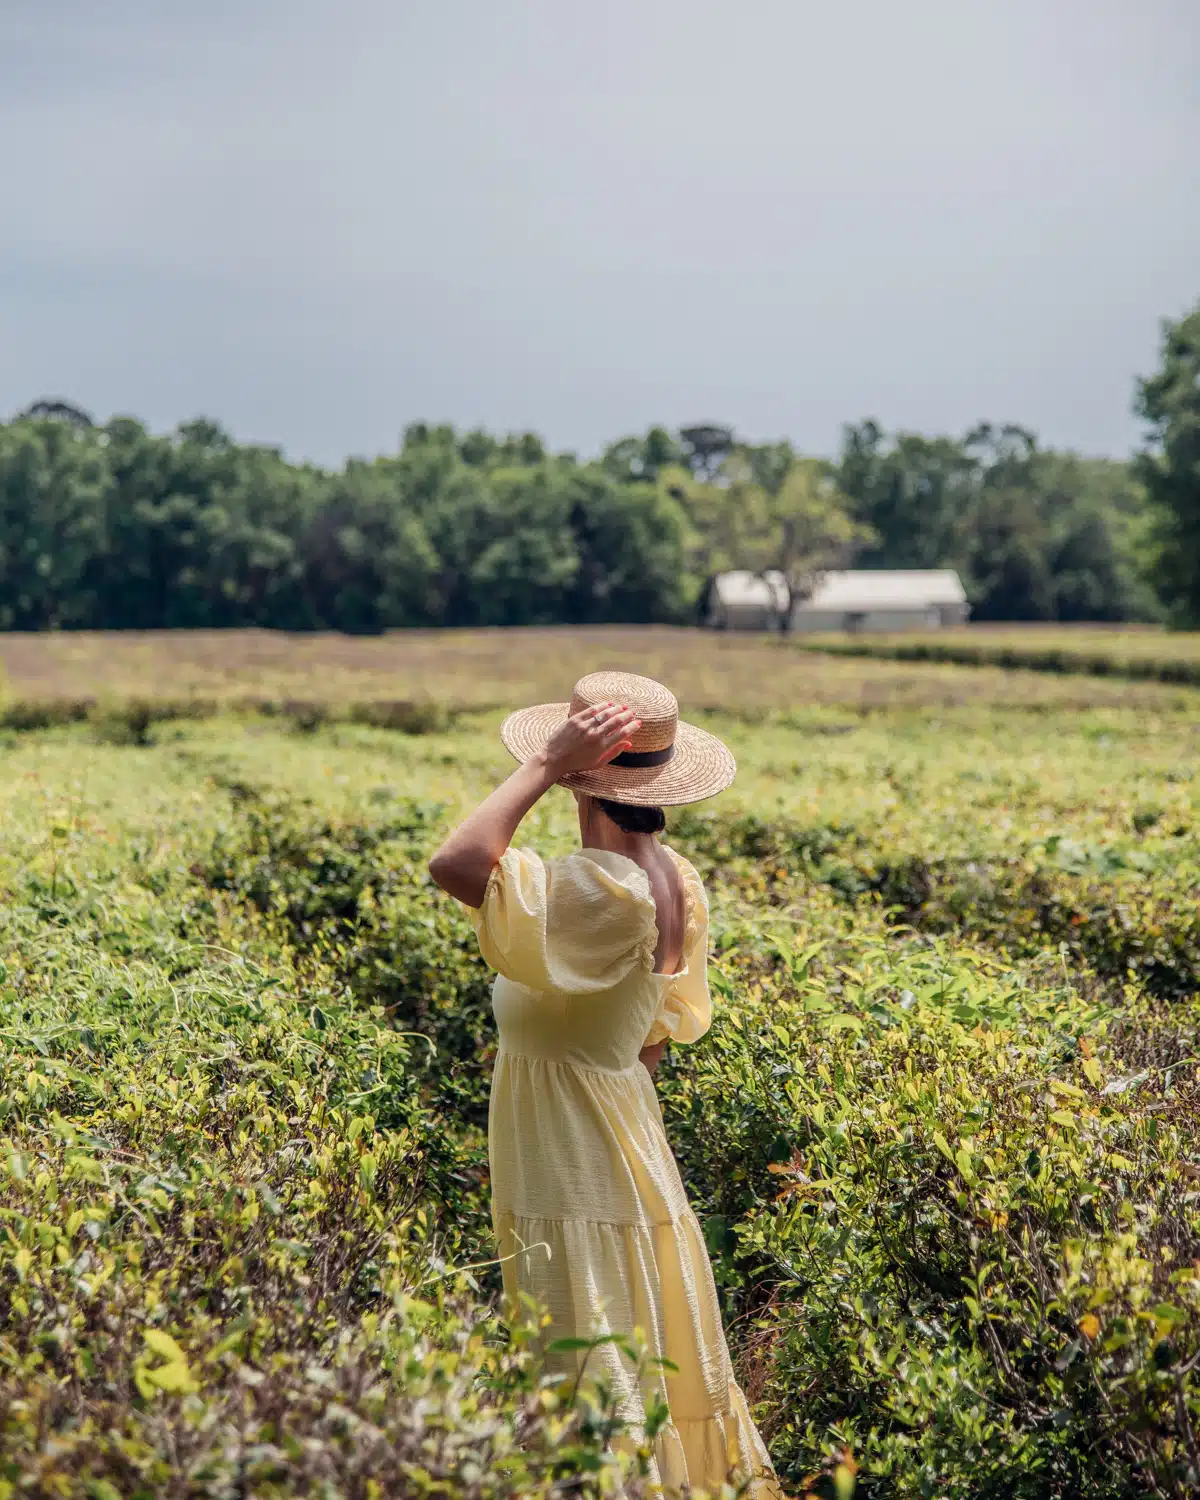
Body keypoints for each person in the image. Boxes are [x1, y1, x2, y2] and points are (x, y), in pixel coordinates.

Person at [428, 670, 781, 1497]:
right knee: (627, 1348)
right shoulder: (673, 879)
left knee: (584, 1362)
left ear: (587, 779)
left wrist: (543, 764)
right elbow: (651, 1037)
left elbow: (456, 862)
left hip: (572, 1156)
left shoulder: (600, 889)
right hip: (618, 1132)